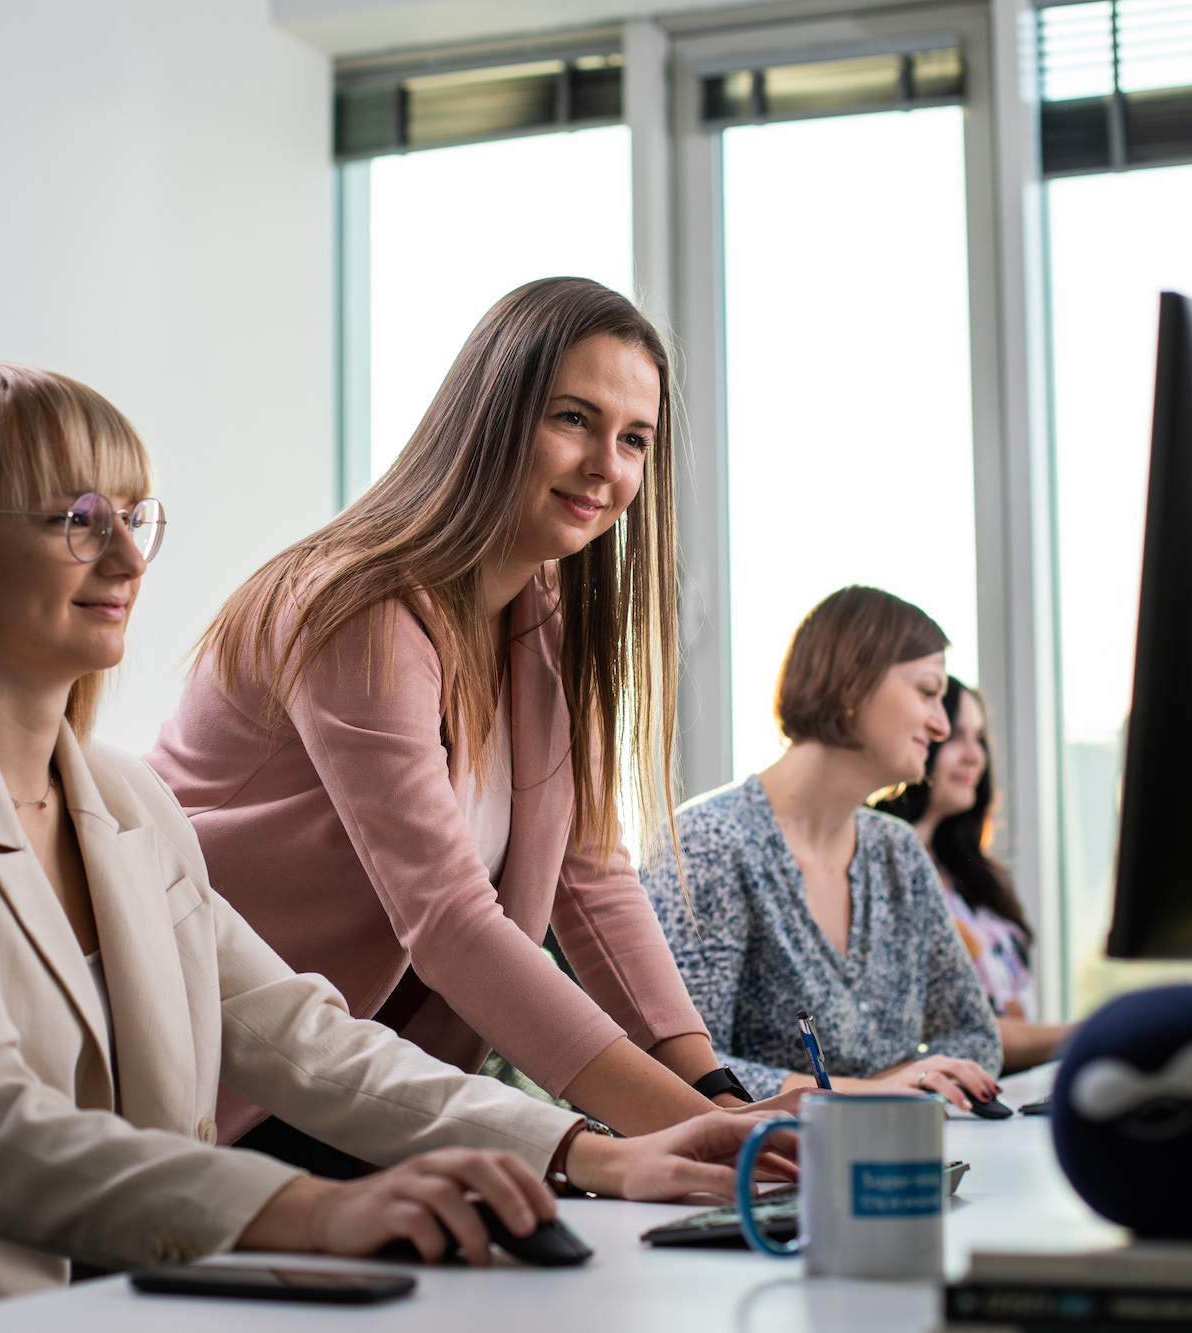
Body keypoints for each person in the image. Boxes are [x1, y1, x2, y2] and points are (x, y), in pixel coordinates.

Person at [0, 363, 785, 1327]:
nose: (124, 557)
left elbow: (305, 1040)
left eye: (135, 517)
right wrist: (310, 1209)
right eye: (74, 518)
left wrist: (594, 1153)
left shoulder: (125, 807)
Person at [148, 278, 776, 1165]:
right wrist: (678, 1129)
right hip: (226, 1071)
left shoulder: (546, 616)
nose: (610, 465)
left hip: (374, 1081)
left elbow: (590, 878)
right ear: (491, 417)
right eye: (574, 419)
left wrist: (714, 1096)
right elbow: (447, 917)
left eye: (636, 439)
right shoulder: (356, 606)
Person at [641, 586, 1003, 1108]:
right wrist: (871, 1092)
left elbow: (975, 1036)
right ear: (853, 684)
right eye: (928, 692)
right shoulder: (709, 845)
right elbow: (683, 1069)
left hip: (888, 1155)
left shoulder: (898, 852)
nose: (942, 725)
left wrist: (902, 1084)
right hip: (759, 1175)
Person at [876, 680, 1073, 1073]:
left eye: (979, 737)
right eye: (955, 737)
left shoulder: (966, 872)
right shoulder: (879, 870)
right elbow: (945, 1033)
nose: (975, 756)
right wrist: (1087, 1033)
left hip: (1005, 1085)